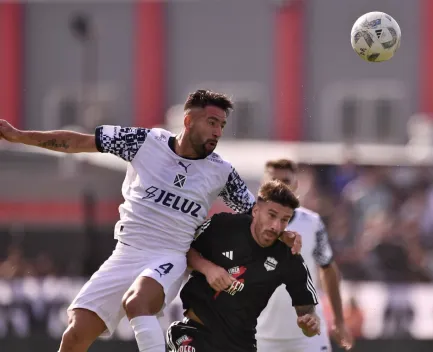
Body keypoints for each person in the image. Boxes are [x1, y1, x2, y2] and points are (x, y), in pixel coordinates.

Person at [0, 89, 300, 352]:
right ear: (188, 121)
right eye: (211, 122)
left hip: (170, 255)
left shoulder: (221, 171)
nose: (218, 132)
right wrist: (19, 136)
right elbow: (78, 142)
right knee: (75, 333)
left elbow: (256, 212)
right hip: (126, 251)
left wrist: (283, 232)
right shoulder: (145, 142)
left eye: (221, 125)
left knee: (137, 302)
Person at [166, 180, 321, 352]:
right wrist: (207, 268)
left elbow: (306, 311)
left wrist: (309, 323)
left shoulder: (289, 257)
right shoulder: (224, 225)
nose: (276, 226)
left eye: (284, 220)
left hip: (241, 343)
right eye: (271, 215)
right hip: (196, 333)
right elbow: (183, 250)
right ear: (255, 211)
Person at [256, 159, 354, 351]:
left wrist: (339, 320)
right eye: (273, 179)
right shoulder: (246, 223)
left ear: (296, 184)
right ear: (263, 184)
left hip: (308, 335)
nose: (279, 185)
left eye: (285, 180)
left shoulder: (312, 223)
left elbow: (327, 268)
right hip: (259, 335)